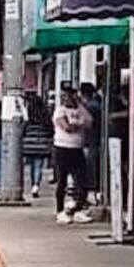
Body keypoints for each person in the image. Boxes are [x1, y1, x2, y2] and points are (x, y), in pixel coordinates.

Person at [53, 85, 92, 224]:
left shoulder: (80, 110)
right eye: (65, 96)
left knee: (82, 180)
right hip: (62, 148)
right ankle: (60, 211)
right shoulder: (59, 111)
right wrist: (77, 125)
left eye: (71, 96)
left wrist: (79, 106)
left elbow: (89, 122)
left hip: (77, 148)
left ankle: (78, 208)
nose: (68, 99)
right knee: (62, 181)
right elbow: (67, 127)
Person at [21, 93, 53, 199]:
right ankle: (35, 186)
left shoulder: (29, 119)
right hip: (42, 146)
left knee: (31, 167)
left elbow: (23, 131)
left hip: (29, 146)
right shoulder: (46, 119)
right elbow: (51, 131)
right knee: (38, 166)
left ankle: (33, 184)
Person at [80, 82, 104, 197]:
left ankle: (92, 191)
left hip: (90, 141)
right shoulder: (98, 105)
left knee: (90, 168)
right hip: (96, 140)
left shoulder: (89, 107)